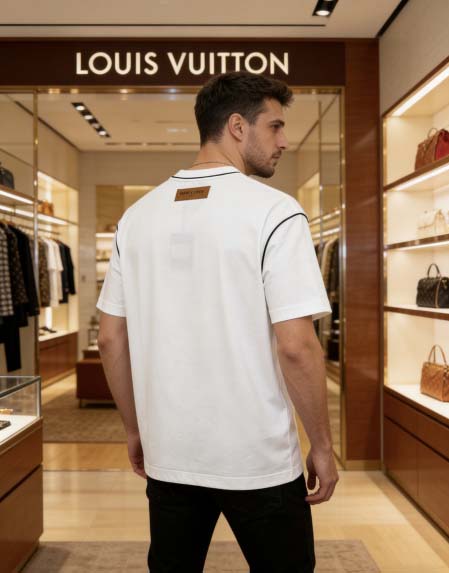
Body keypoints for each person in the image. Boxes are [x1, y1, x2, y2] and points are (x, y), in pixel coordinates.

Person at [97, 71, 339, 573]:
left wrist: (135, 429)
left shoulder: (136, 218)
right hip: (258, 458)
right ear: (236, 126)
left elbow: (110, 338)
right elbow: (297, 346)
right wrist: (322, 444)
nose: (284, 141)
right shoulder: (276, 213)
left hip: (170, 452)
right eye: (275, 126)